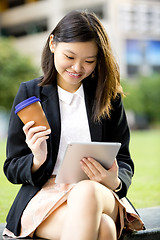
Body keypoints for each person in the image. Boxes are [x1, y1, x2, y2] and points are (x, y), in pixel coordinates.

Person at [3, 10, 144, 240]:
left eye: (89, 61)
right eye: (69, 57)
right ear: (52, 44)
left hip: (99, 191)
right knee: (104, 228)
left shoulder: (108, 96)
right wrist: (37, 160)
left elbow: (125, 160)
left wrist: (114, 182)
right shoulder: (29, 93)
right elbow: (12, 166)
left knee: (86, 191)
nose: (77, 68)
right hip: (45, 194)